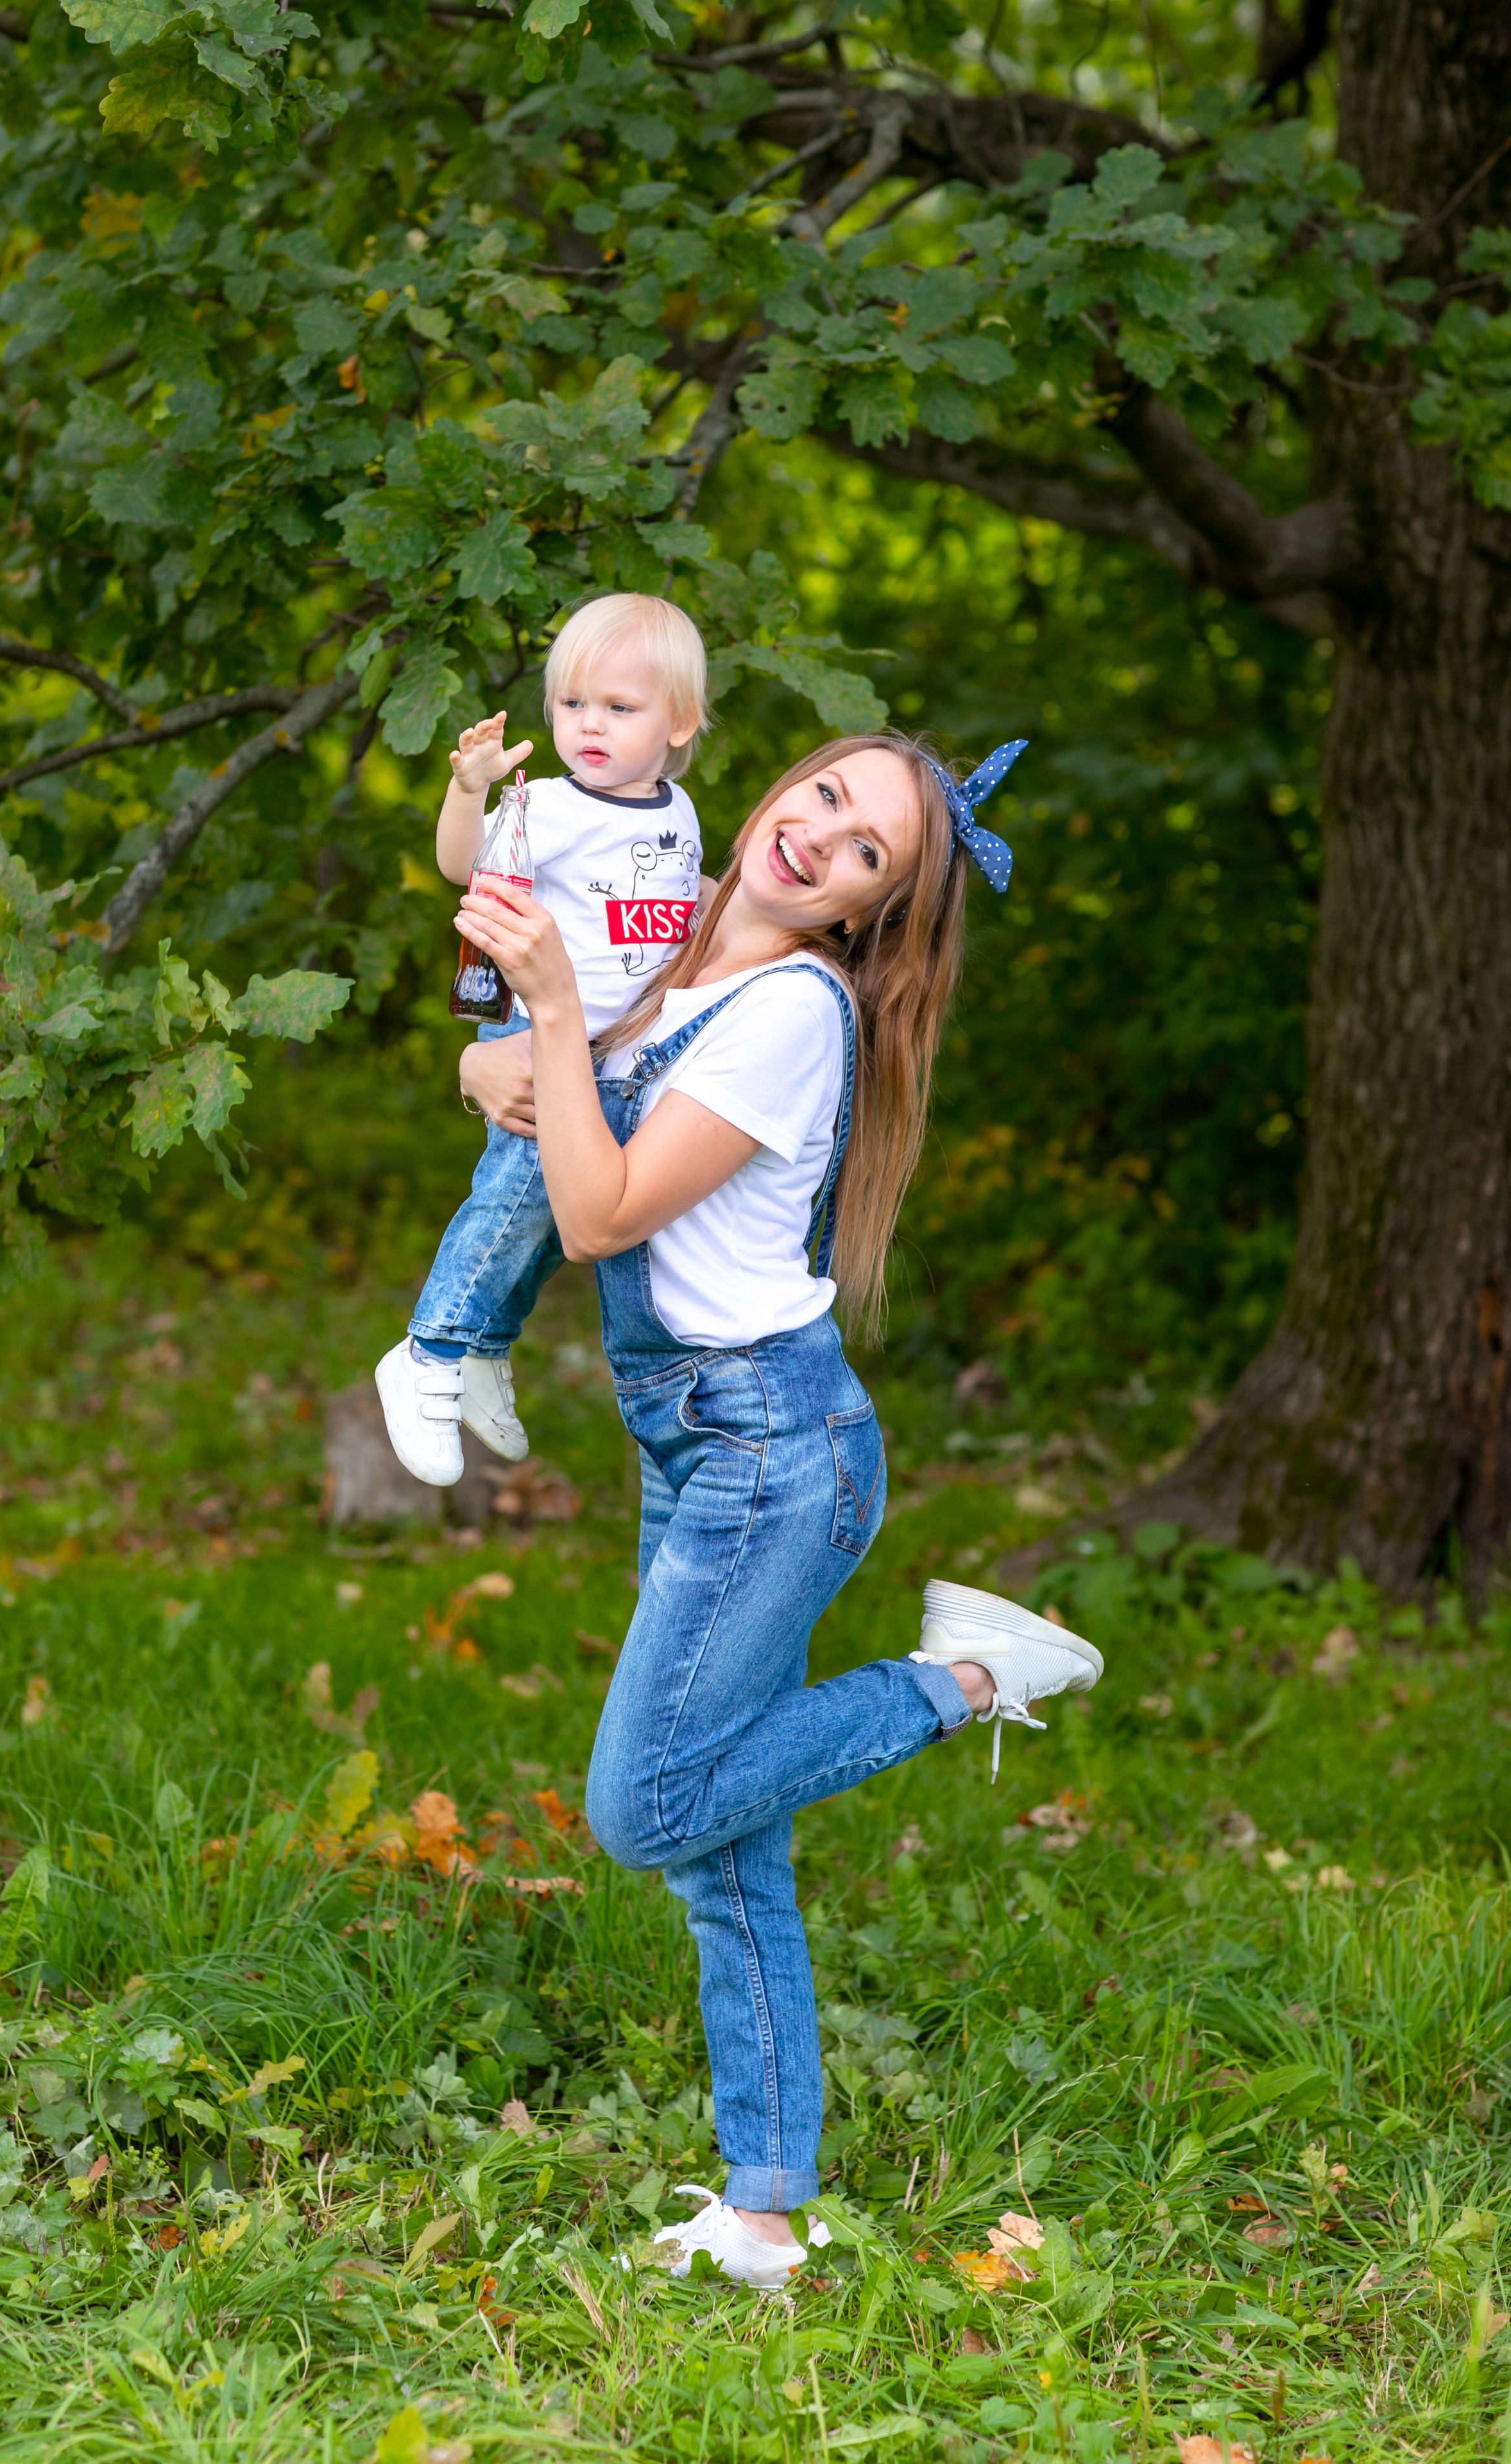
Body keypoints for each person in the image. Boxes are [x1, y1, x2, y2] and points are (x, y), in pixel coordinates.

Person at [453, 732, 1104, 2290]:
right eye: (823, 797)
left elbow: (599, 1205)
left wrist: (544, 1020)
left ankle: (968, 1679)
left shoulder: (792, 1017)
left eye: (867, 848)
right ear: (769, 798)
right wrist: (516, 1046)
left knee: (646, 1807)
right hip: (694, 1444)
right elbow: (514, 1092)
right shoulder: (672, 966)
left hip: (768, 1457)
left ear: (868, 916)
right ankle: (762, 2212)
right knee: (724, 1840)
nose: (823, 837)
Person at [377, 593, 714, 1487]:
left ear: (680, 721)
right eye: (572, 705)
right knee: (519, 1194)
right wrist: (469, 787)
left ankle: (485, 1347)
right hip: (545, 1044)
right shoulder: (551, 808)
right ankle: (432, 1350)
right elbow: (463, 865)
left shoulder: (678, 814)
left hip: (626, 1059)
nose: (589, 726)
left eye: (619, 707)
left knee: (558, 1223)